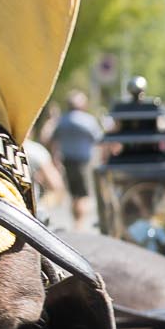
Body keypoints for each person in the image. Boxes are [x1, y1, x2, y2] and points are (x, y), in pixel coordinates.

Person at [48, 90, 104, 229]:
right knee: (83, 195)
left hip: (67, 160)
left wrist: (55, 158)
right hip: (82, 162)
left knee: (73, 194)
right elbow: (99, 139)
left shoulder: (62, 121)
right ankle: (79, 223)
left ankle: (76, 221)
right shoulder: (87, 120)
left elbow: (53, 140)